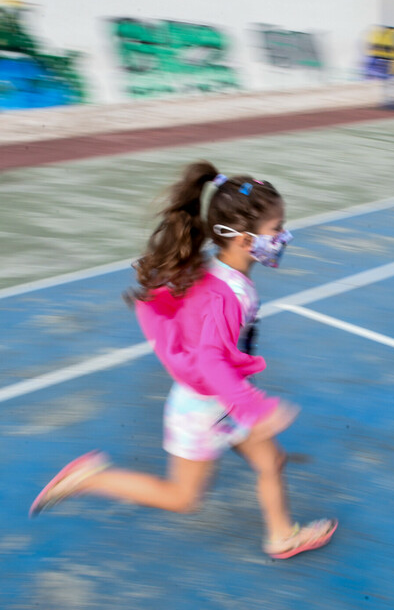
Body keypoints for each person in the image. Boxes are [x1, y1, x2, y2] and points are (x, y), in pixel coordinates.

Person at [29, 161, 337, 560]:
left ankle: (281, 536)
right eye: (276, 228)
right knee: (183, 498)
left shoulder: (214, 267)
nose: (283, 236)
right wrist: (255, 407)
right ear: (244, 239)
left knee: (272, 460)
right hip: (205, 406)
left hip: (221, 400)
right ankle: (90, 479)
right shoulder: (229, 295)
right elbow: (211, 360)